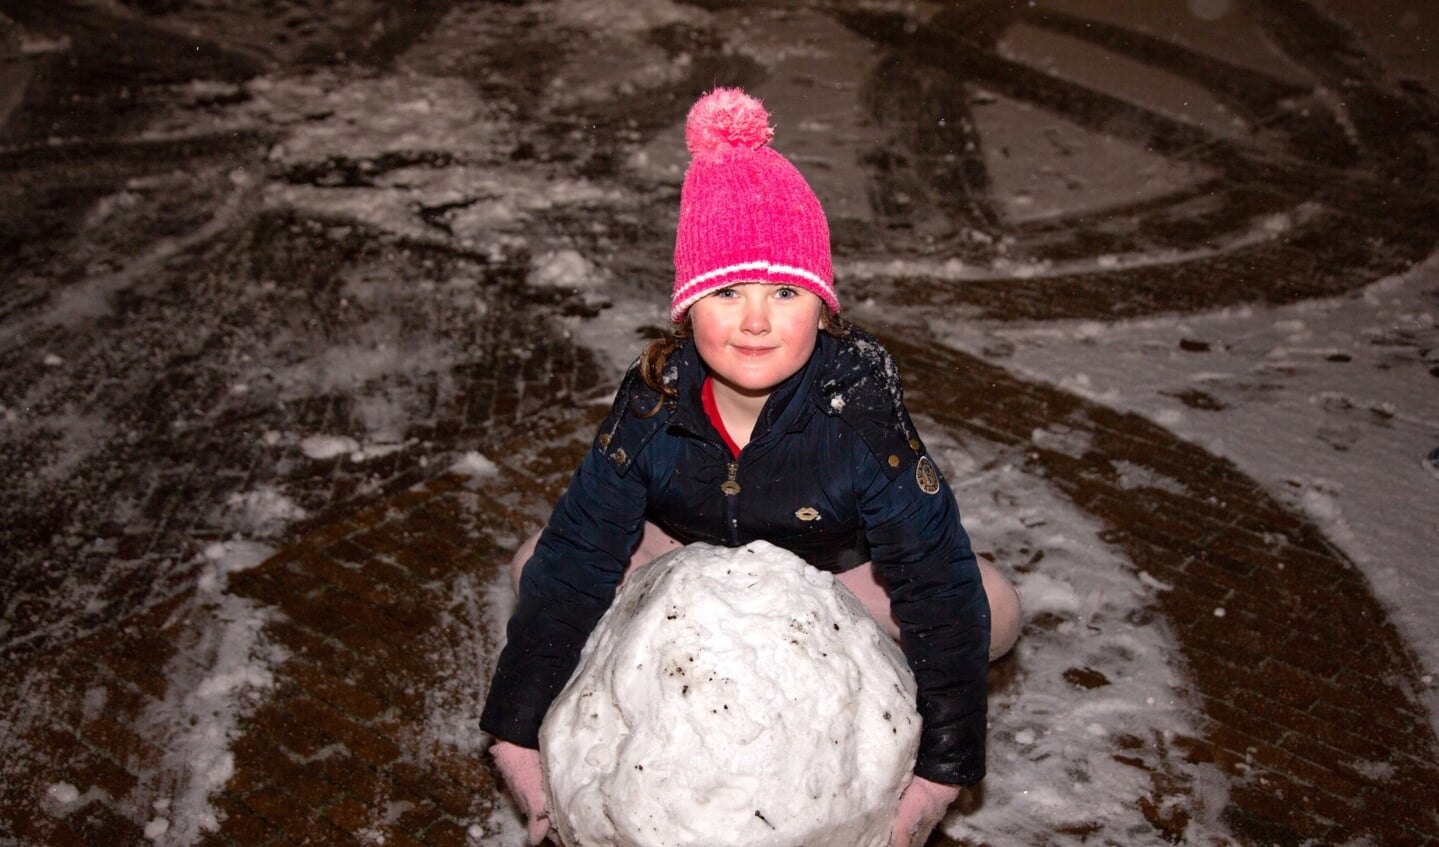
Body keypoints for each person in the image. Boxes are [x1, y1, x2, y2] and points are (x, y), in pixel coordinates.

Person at [480, 87, 1022, 847]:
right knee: (536, 566)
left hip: (825, 571)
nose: (757, 320)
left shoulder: (857, 407)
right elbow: (576, 556)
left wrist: (941, 769)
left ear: (825, 309)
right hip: (681, 558)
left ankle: (859, 667)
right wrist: (516, 729)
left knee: (985, 608)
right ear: (687, 308)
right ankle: (632, 660)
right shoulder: (652, 404)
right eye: (727, 290)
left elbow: (930, 578)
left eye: (786, 291)